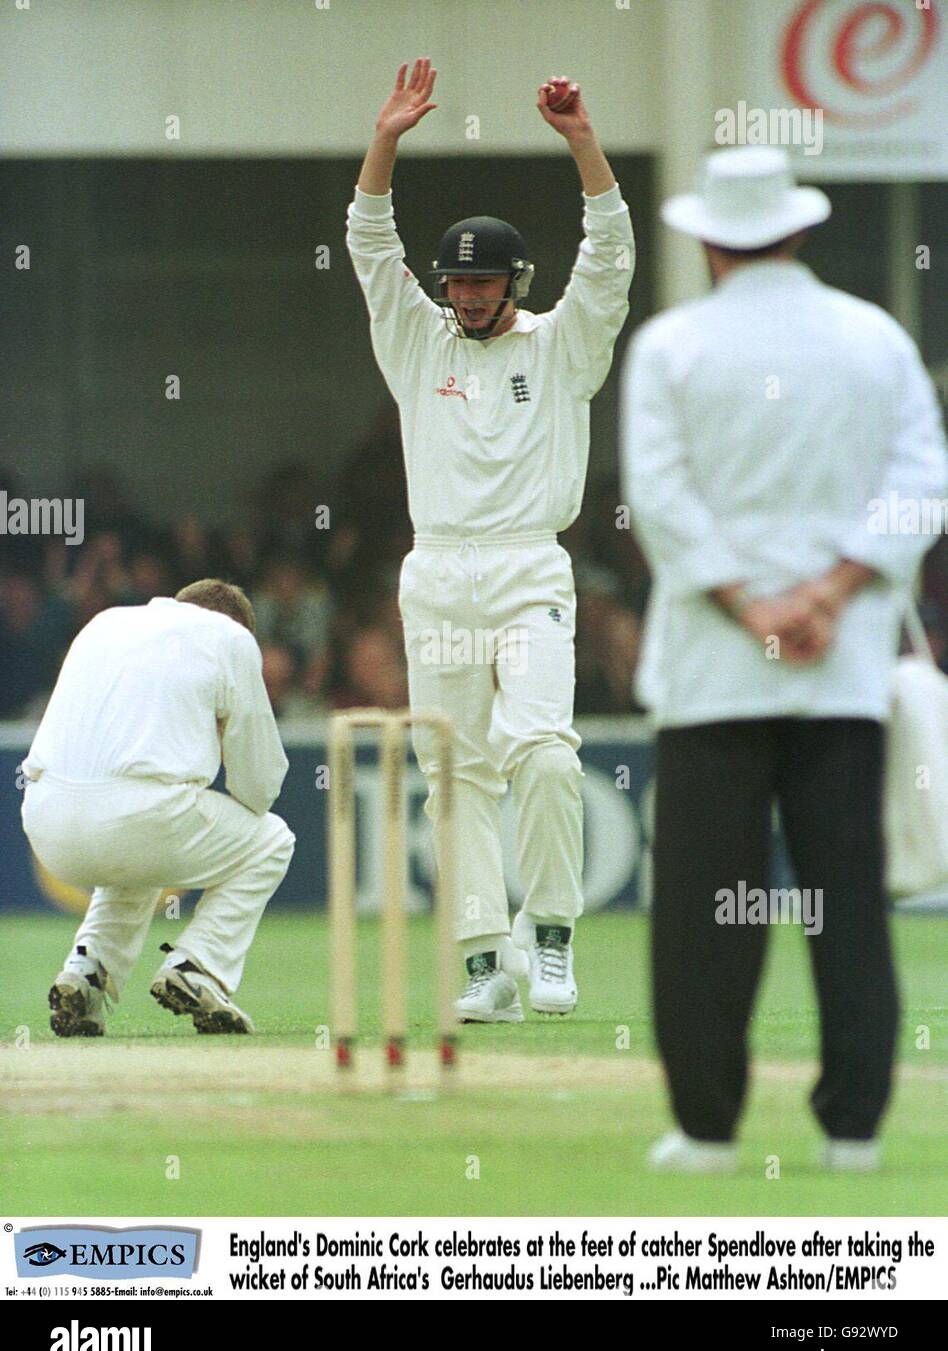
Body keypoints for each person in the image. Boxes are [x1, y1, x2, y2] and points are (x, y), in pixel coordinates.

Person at [620, 146, 948, 1173]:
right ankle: (853, 1126)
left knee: (702, 912)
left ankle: (706, 1127)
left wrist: (752, 602)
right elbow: (919, 483)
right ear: (799, 229)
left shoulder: (674, 345)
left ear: (709, 238)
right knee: (847, 895)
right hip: (838, 666)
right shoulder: (875, 338)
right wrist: (829, 593)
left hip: (717, 670)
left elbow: (661, 501)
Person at [347, 59, 634, 1021]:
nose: (467, 298)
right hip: (435, 574)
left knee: (546, 752)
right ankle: (484, 964)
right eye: (456, 282)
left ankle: (548, 942)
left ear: (518, 281)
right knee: (454, 772)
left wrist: (582, 141)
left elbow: (611, 256)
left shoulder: (562, 347)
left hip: (526, 569)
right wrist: (384, 143)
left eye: (484, 283)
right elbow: (368, 243)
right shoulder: (417, 342)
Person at [21, 579, 295, 1037]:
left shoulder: (105, 622)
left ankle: (85, 974)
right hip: (144, 816)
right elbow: (259, 784)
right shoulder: (231, 639)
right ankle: (199, 967)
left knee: (140, 852)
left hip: (46, 818)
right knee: (271, 839)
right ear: (237, 625)